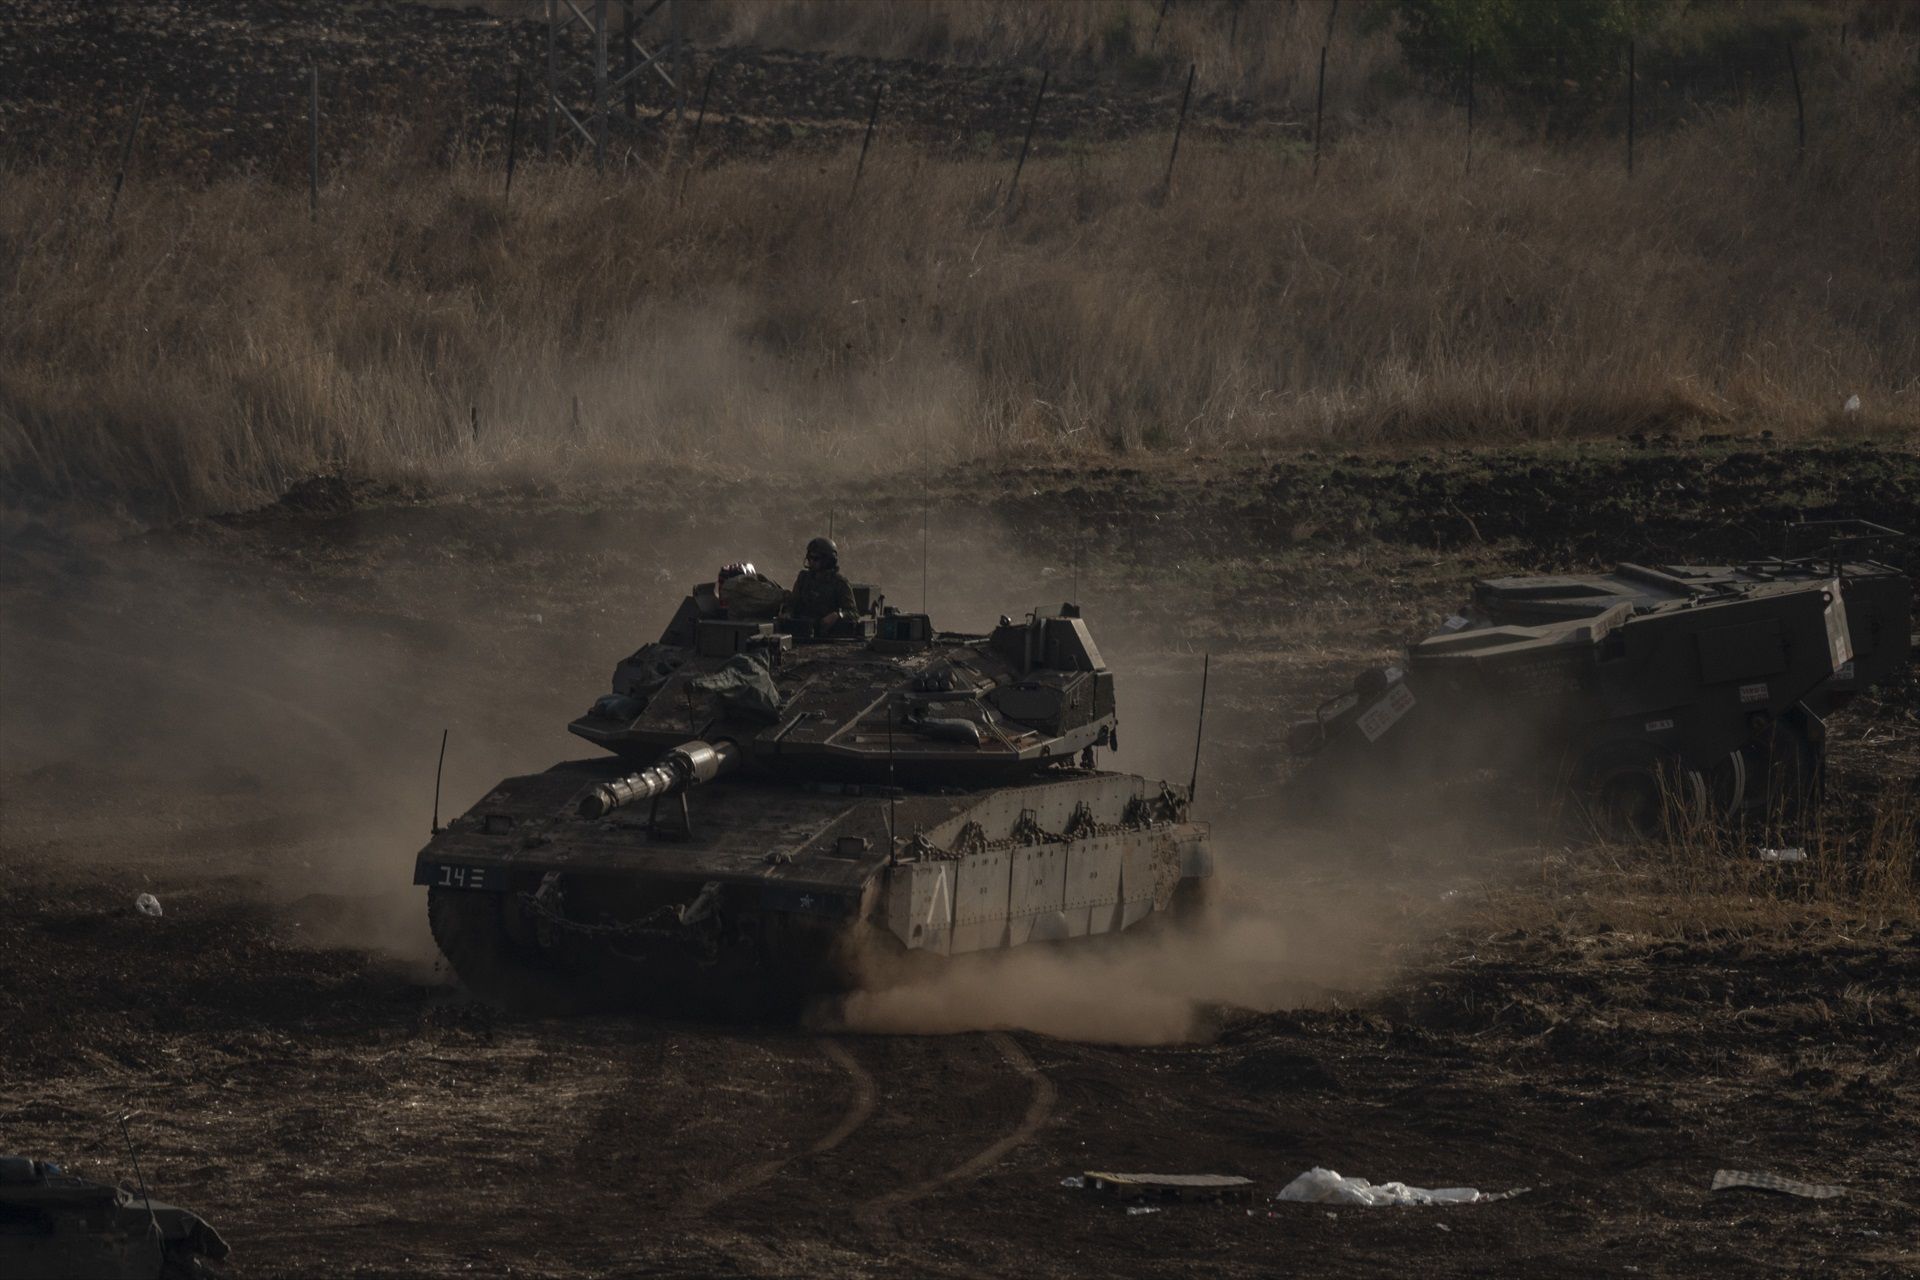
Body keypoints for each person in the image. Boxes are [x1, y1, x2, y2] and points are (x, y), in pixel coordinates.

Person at [788, 536, 855, 631]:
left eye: (816, 559)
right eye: (809, 557)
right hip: (801, 630)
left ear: (828, 560)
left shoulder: (840, 583)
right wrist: (787, 613)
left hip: (828, 635)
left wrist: (838, 615)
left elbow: (853, 613)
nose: (811, 561)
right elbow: (792, 603)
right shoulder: (803, 578)